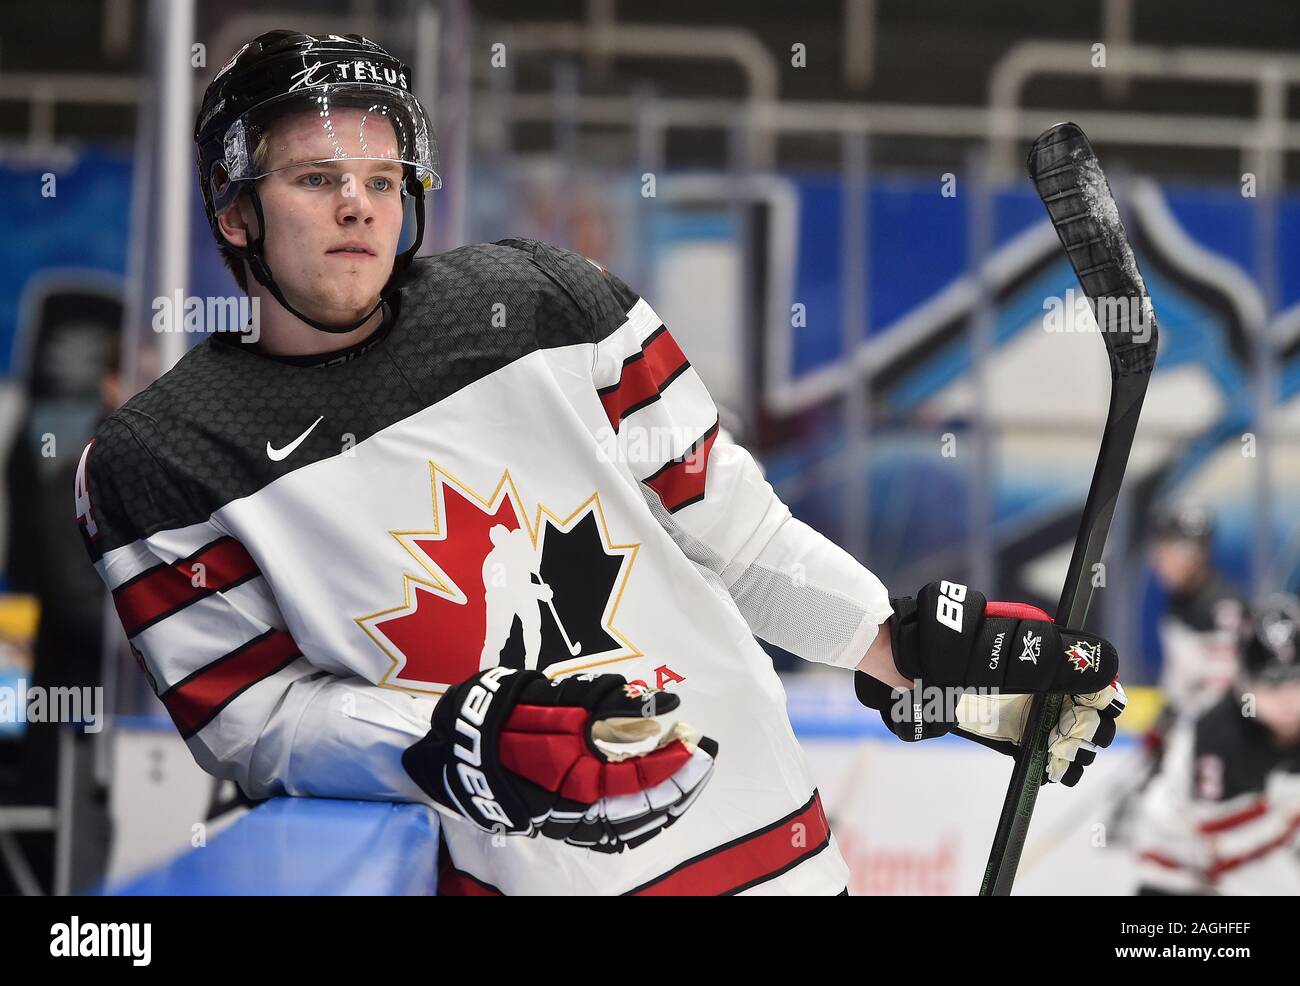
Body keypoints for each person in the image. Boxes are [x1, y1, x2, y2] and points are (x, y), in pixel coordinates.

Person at [74, 31, 1124, 895]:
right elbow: (254, 723)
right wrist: (452, 738)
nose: (359, 203)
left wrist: (896, 649)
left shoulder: (549, 305)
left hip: (777, 857)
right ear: (234, 213)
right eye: (316, 178)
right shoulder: (162, 461)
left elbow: (740, 535)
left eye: (383, 176)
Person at [1134, 593, 1300, 895]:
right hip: (1181, 872)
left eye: (1298, 679)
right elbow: (1241, 862)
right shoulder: (1217, 737)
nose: (1290, 699)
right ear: (1244, 681)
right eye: (1273, 683)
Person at [1148, 501, 1245, 722]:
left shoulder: (1223, 606)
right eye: (1160, 546)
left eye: (1171, 549)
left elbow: (1222, 694)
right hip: (1183, 722)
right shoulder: (1178, 600)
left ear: (1201, 554)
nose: (1160, 560)